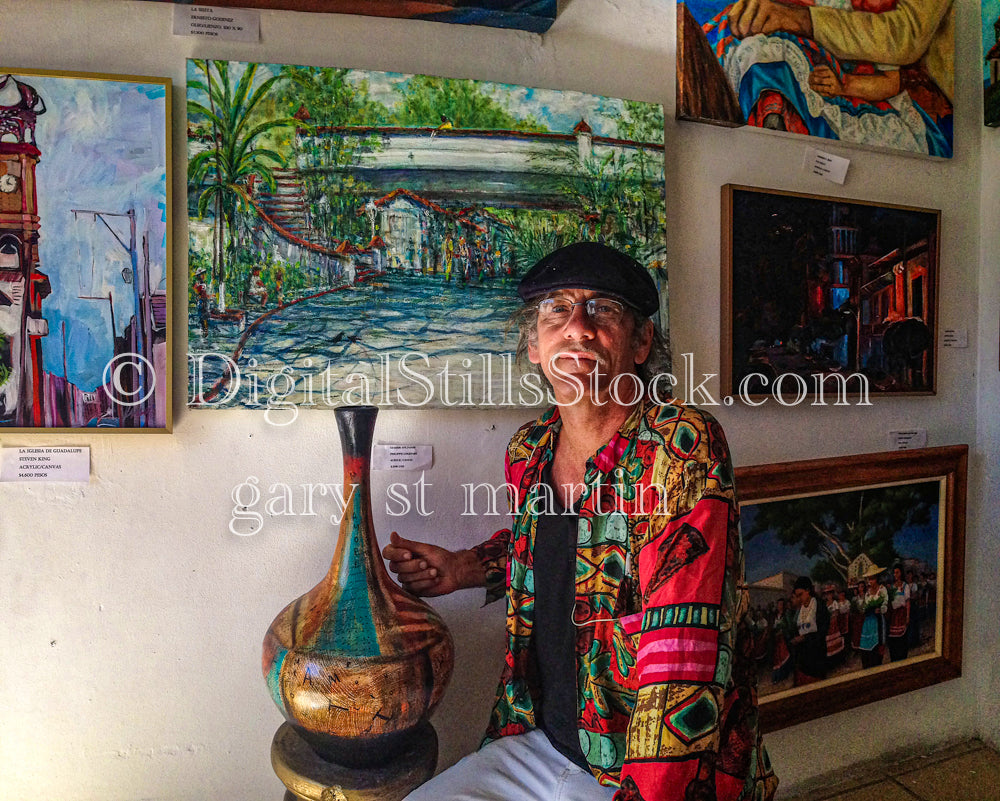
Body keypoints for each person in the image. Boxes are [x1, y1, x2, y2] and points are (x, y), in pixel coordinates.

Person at [384, 242, 777, 801]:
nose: (578, 328)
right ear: (535, 345)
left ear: (642, 343)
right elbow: (555, 545)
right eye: (557, 310)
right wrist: (466, 566)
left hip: (640, 769)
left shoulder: (681, 447)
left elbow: (685, 655)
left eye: (604, 309)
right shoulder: (530, 448)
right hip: (535, 740)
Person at [790, 576, 828, 685]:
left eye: (800, 594)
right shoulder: (800, 610)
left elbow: (823, 631)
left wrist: (805, 638)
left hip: (816, 654)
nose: (799, 598)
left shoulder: (819, 606)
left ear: (808, 591)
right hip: (802, 656)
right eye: (797, 596)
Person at [858, 567, 889, 668]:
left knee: (877, 650)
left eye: (872, 578)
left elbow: (885, 604)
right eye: (869, 579)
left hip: (878, 621)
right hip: (868, 623)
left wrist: (881, 609)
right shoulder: (867, 593)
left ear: (877, 578)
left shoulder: (882, 589)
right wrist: (869, 610)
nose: (870, 581)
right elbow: (864, 609)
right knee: (866, 652)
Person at [887, 565, 910, 661]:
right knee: (893, 638)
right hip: (893, 615)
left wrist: (908, 616)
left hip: (901, 614)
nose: (895, 574)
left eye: (897, 572)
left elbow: (907, 602)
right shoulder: (892, 587)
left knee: (902, 638)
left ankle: (902, 657)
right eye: (894, 573)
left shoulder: (905, 586)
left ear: (901, 573)